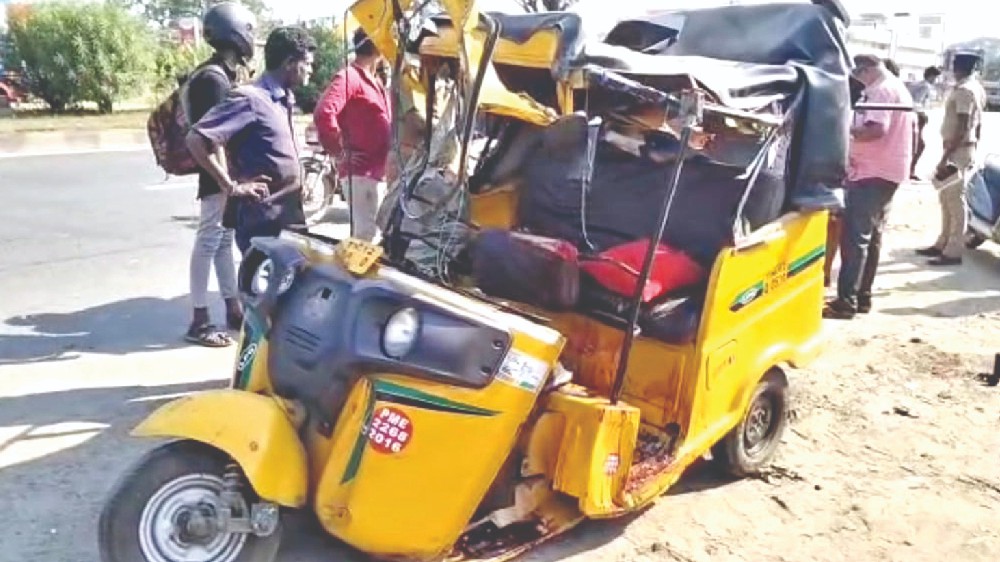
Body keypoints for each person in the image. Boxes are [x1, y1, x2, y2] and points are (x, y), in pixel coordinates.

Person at [186, 26, 317, 255]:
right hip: (263, 225)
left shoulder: (283, 98)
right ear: (289, 62)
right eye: (307, 63)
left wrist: (299, 180)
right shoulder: (250, 100)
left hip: (288, 218)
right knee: (263, 289)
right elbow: (196, 138)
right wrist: (230, 186)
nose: (311, 70)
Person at [183, 2, 256, 348]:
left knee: (224, 241)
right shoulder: (212, 79)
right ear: (236, 32)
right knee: (209, 240)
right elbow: (211, 137)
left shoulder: (221, 73)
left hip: (224, 173)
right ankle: (199, 319)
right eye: (250, 31)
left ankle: (232, 307)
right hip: (217, 174)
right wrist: (228, 184)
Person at [825, 55, 915, 319]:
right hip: (887, 170)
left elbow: (876, 129)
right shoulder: (895, 86)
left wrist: (845, 130)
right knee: (871, 237)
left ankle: (846, 302)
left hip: (871, 172)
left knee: (855, 238)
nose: (857, 81)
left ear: (866, 70)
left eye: (858, 75)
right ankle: (862, 297)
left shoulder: (881, 90)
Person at [313, 28, 392, 242]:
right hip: (361, 174)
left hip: (375, 173)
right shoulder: (350, 76)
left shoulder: (374, 80)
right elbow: (324, 113)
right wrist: (339, 152)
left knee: (373, 238)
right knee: (365, 239)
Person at [915, 52, 986, 266]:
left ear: (960, 68)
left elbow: (964, 125)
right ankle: (943, 243)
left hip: (957, 151)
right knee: (946, 198)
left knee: (955, 201)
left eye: (955, 66)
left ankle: (953, 251)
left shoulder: (965, 90)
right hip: (962, 149)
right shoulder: (976, 88)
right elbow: (977, 124)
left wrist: (946, 157)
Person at [907, 65, 943, 180]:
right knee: (918, 145)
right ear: (931, 76)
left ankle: (909, 169)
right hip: (917, 115)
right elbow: (916, 102)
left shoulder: (915, 84)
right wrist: (922, 114)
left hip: (910, 115)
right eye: (935, 77)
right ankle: (910, 170)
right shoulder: (925, 86)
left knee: (913, 144)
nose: (935, 80)